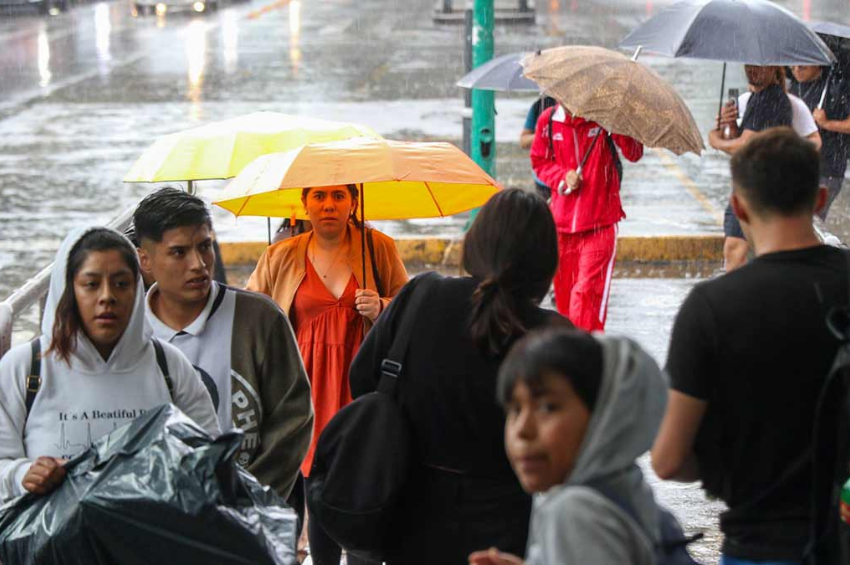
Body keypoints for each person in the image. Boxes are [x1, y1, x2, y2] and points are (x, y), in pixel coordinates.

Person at [653, 128, 847, 564]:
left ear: (738, 207)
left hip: (758, 546)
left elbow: (668, 460)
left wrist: (732, 464)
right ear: (818, 200)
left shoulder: (712, 308)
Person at [349, 188, 570, 565]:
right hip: (513, 535)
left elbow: (363, 380)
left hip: (410, 525)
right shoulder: (556, 337)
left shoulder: (421, 296)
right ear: (545, 260)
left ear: (476, 242)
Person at [246, 183, 408, 565]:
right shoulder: (281, 256)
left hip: (360, 387)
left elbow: (408, 307)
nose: (329, 205)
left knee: (361, 480)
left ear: (353, 202)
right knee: (316, 480)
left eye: (339, 196)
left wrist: (381, 306)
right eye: (319, 196)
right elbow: (252, 315)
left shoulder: (378, 248)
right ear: (304, 204)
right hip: (303, 390)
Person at [0, 227, 220, 502]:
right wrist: (23, 475)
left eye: (121, 283)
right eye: (91, 284)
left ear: (136, 288)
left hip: (150, 539)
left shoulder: (169, 367)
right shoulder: (25, 368)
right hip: (54, 544)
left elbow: (212, 461)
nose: (107, 297)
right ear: (69, 290)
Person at [133, 187, 313, 500]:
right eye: (179, 252)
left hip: (249, 514)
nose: (199, 264)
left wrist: (246, 497)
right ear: (145, 260)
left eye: (205, 246)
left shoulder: (259, 319)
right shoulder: (130, 333)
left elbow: (293, 420)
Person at [469, 327, 668, 565]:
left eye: (548, 407)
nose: (522, 430)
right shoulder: (623, 484)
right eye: (515, 409)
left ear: (602, 417)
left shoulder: (575, 512)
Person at [530, 103, 644, 332]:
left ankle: (583, 355)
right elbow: (539, 161)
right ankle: (569, 354)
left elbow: (634, 153)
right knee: (564, 301)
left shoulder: (606, 117)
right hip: (561, 227)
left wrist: (618, 123)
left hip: (600, 223)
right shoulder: (549, 120)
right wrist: (563, 177)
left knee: (586, 295)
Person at [712, 65, 822, 271]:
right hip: (751, 183)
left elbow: (744, 145)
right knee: (735, 248)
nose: (752, 70)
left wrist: (715, 140)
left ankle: (743, 297)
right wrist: (728, 126)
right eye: (749, 65)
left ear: (774, 69)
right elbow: (743, 140)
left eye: (760, 66)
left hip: (764, 186)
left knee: (740, 249)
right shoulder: (755, 99)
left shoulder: (771, 99)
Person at [791, 64, 850, 220]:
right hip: (798, 167)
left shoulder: (837, 87)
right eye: (793, 66)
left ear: (817, 64)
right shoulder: (793, 87)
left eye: (802, 66)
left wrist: (826, 123)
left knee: (809, 221)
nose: (796, 69)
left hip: (828, 169)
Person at [520, 96, 557, 199]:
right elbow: (523, 141)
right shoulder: (539, 106)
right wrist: (543, 134)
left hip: (572, 178)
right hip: (543, 180)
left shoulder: (579, 109)